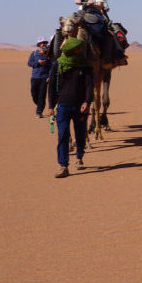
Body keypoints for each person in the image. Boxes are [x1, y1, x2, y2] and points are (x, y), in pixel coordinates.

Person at [47, 38, 93, 178]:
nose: (80, 51)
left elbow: (89, 85)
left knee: (80, 135)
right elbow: (52, 86)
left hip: (81, 107)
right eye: (78, 49)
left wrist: (87, 101)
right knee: (63, 136)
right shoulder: (58, 64)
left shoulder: (85, 65)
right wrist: (50, 106)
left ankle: (79, 157)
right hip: (63, 106)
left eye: (80, 49)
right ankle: (63, 166)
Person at [27, 37, 52, 118]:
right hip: (35, 77)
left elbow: (51, 67)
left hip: (44, 78)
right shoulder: (34, 53)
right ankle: (40, 105)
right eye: (42, 43)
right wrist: (38, 62)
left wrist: (49, 76)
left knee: (42, 95)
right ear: (38, 45)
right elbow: (29, 63)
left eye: (45, 42)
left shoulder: (49, 55)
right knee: (34, 94)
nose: (44, 44)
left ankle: (39, 111)